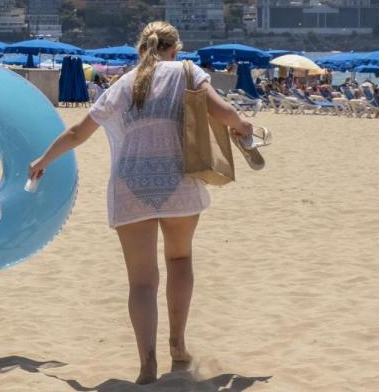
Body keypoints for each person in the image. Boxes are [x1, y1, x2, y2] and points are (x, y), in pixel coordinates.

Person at [28, 21, 252, 384]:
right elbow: (221, 111)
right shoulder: (187, 71)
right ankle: (177, 347)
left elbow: (77, 133)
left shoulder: (124, 83)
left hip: (130, 185)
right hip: (177, 182)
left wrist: (42, 162)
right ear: (174, 50)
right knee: (180, 259)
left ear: (140, 50)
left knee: (141, 282)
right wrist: (242, 126)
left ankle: (147, 364)